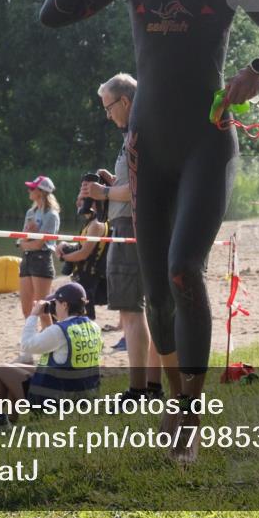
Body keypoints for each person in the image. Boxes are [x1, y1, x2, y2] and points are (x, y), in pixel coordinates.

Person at [39, 0, 259, 462]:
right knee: (156, 294)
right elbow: (54, 14)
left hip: (207, 142)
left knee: (186, 269)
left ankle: (188, 414)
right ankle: (171, 395)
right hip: (147, 149)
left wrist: (256, 71)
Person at [79, 73, 163, 403]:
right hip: (138, 224)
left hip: (130, 226)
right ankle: (151, 387)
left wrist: (104, 191)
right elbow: (138, 183)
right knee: (150, 308)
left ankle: (139, 389)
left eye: (109, 106)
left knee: (131, 310)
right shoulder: (141, 131)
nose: (107, 113)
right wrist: (111, 183)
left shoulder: (138, 134)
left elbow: (143, 188)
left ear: (125, 102)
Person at [0, 282, 102, 431]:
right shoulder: (92, 327)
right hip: (82, 397)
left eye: (55, 303)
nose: (54, 307)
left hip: (58, 403)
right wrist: (45, 319)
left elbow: (27, 345)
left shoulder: (60, 330)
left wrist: (33, 316)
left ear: (64, 305)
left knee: (3, 370)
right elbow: (56, 348)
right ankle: (8, 419)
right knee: (17, 370)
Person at [18, 176, 60, 332]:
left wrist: (29, 239)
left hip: (42, 259)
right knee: (26, 308)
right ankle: (30, 346)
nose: (29, 191)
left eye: (32, 188)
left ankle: (50, 342)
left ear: (41, 192)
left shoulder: (51, 215)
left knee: (41, 308)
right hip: (27, 259)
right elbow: (22, 241)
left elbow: (38, 244)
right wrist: (30, 236)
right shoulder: (31, 211)